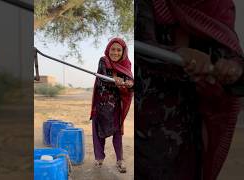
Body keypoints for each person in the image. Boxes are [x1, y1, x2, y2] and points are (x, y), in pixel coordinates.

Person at [136, 0, 244, 179]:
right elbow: (140, 47)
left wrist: (233, 69)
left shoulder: (219, 5)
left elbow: (228, 55)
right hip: (145, 123)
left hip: (187, 128)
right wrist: (177, 54)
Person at [90, 37, 134, 173]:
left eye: (119, 50)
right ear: (108, 50)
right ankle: (99, 159)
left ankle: (120, 160)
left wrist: (129, 83)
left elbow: (130, 82)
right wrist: (115, 80)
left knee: (117, 133)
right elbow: (102, 78)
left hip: (115, 105)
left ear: (123, 52)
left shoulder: (126, 65)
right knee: (97, 132)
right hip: (100, 103)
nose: (115, 52)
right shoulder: (103, 61)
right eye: (113, 49)